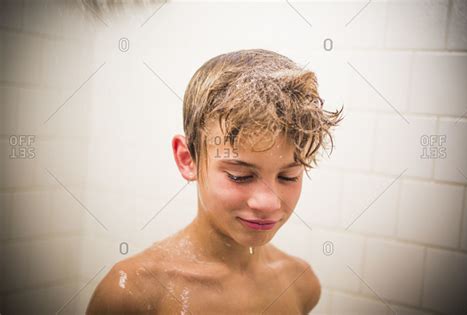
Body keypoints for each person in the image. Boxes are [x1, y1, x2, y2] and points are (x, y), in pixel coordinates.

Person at [86, 49, 343, 314]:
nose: (268, 202)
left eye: (289, 176)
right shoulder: (132, 293)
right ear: (188, 159)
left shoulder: (301, 285)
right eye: (240, 176)